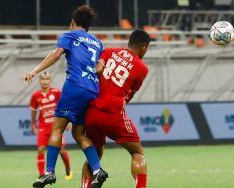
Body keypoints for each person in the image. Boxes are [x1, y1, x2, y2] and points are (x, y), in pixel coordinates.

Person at [22, 4, 108, 188]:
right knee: (78, 133)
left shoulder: (69, 35)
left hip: (75, 86)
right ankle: (97, 169)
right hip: (92, 90)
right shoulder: (98, 42)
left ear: (73, 22)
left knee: (57, 130)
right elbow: (100, 68)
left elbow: (56, 53)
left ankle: (49, 172)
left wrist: (35, 71)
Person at [81, 29, 150, 188]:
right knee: (137, 153)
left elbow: (96, 71)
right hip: (113, 113)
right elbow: (128, 96)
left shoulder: (109, 51)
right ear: (144, 47)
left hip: (91, 111)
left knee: (95, 155)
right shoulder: (142, 68)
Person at [29, 72, 73, 180]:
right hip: (43, 127)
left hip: (56, 127)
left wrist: (68, 121)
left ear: (50, 81)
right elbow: (34, 110)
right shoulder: (36, 96)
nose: (45, 81)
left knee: (61, 150)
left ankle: (68, 169)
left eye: (47, 79)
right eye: (43, 79)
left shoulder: (57, 92)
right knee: (41, 149)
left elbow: (65, 106)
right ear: (39, 81)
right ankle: (41, 174)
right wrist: (32, 124)